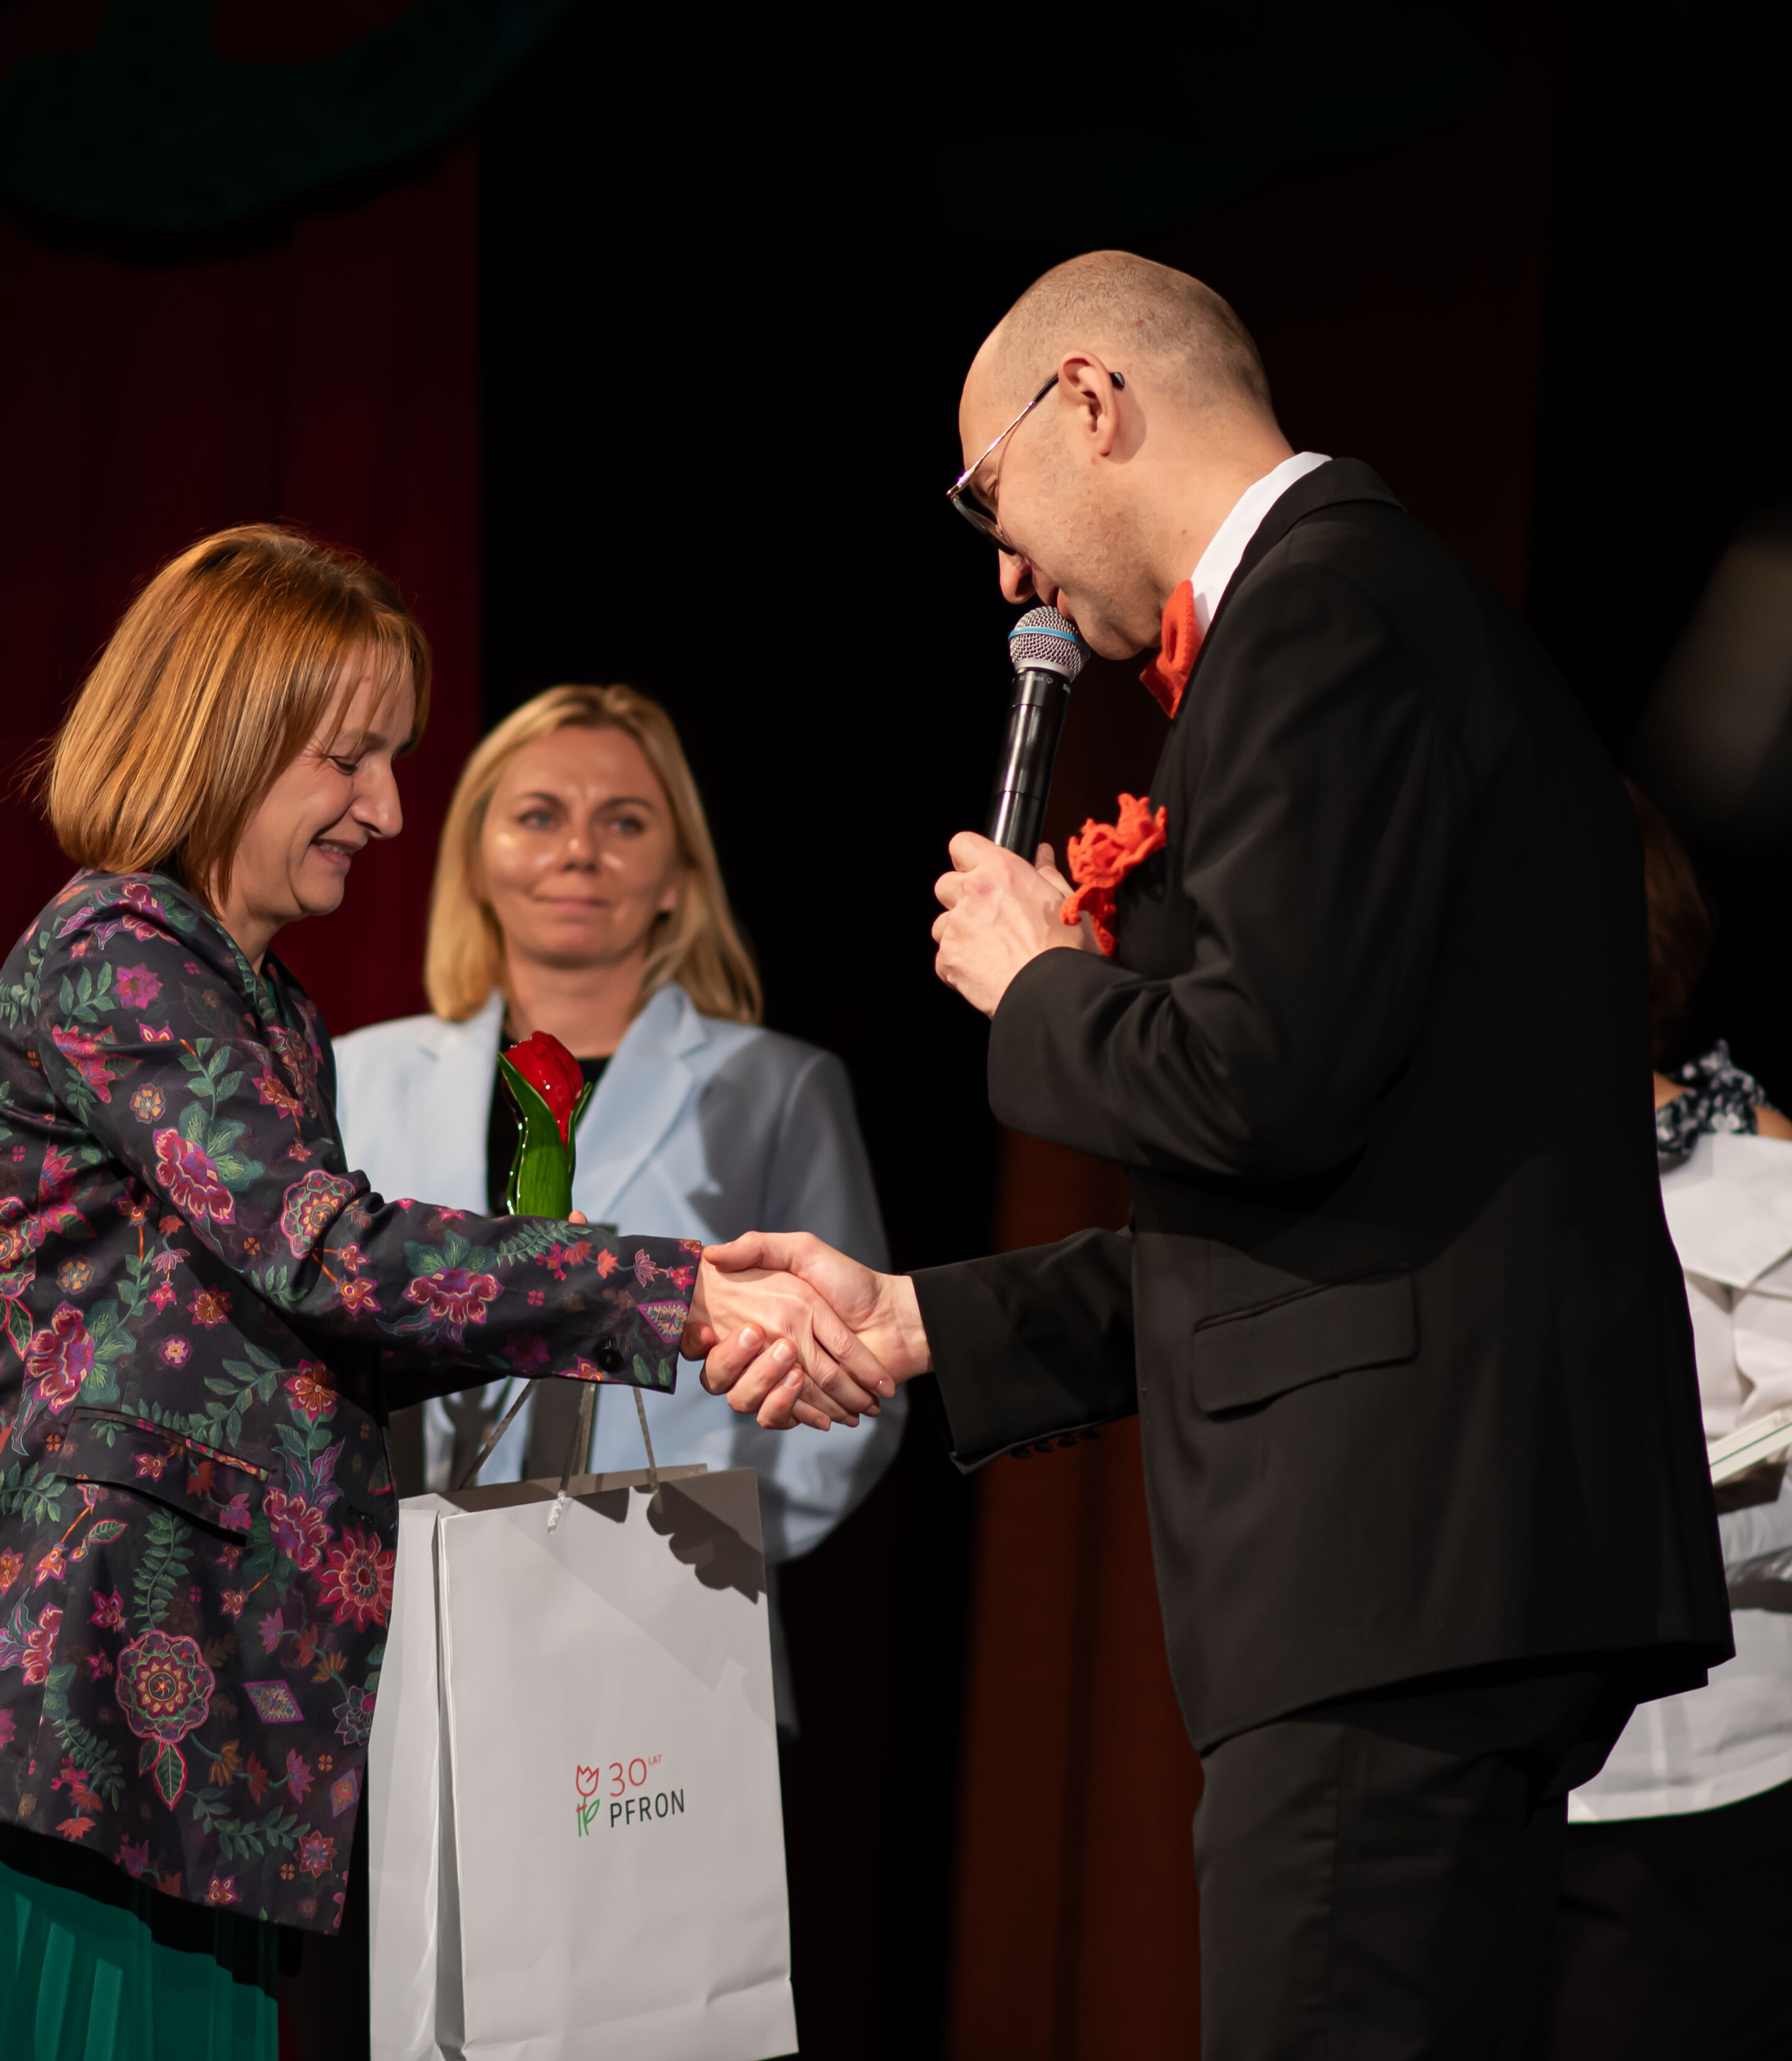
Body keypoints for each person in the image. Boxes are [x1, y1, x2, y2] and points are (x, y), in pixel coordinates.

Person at [690, 252, 1731, 2057]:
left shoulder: (1325, 615)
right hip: (1443, 1565)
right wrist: (920, 1321)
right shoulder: (1371, 611)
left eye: (989, 496)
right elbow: (1333, 1185)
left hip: (1392, 1564)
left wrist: (1037, 983)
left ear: (1090, 400)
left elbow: (1254, 1087)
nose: (1006, 570)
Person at [0, 525, 846, 2060]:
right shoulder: (121, 950)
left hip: (172, 1754)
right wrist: (670, 1289)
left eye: (392, 759)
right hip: (43, 1721)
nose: (389, 808)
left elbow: (301, 1340)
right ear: (222, 740)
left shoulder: (261, 1001)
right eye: (349, 758)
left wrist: (666, 1317)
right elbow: (326, 1253)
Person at [333, 682, 902, 1720]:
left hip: (669, 1639)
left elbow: (857, 1382)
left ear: (679, 876)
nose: (580, 851)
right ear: (476, 860)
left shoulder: (777, 1091)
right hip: (392, 1642)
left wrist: (699, 1546)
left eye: (625, 822)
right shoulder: (354, 1075)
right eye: (539, 815)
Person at [1540, 790, 1792, 2059]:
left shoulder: (1756, 1169)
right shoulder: (1444, 1170)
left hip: (1698, 1798)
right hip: (1471, 1787)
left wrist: (1687, 1534)